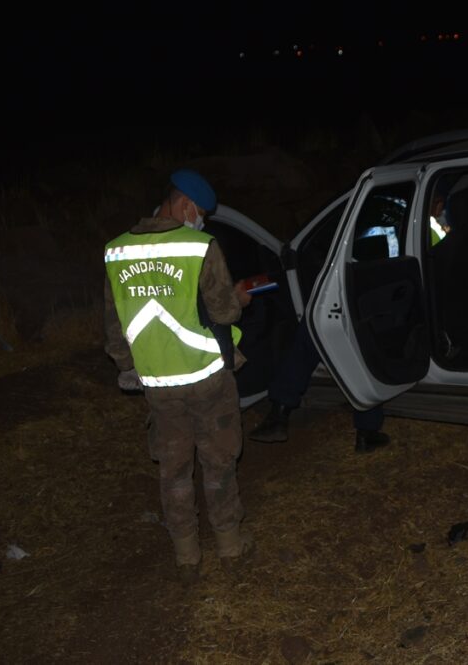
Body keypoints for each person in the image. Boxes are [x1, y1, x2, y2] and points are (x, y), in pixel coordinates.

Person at [103, 169, 254, 585]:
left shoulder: (115, 252)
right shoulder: (199, 246)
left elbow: (115, 331)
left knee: (173, 470)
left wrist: (128, 369)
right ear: (185, 205)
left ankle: (186, 555)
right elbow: (224, 312)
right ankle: (229, 546)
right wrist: (239, 299)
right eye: (200, 212)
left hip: (158, 385)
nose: (201, 219)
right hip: (206, 377)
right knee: (218, 460)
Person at [248, 316, 390, 452]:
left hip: (326, 301)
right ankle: (367, 431)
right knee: (364, 352)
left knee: (308, 338)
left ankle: (278, 414)